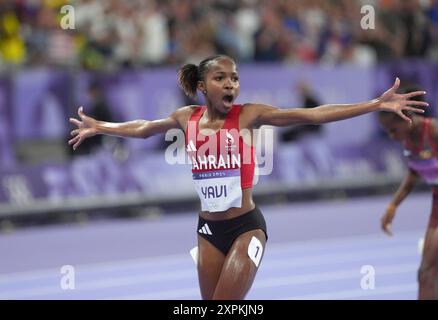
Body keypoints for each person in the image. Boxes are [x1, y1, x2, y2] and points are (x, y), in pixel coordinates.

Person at [68, 55, 427, 300]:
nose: (230, 84)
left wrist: (374, 105)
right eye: (220, 78)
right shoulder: (185, 118)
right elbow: (144, 127)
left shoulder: (249, 115)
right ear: (203, 86)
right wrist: (100, 126)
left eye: (235, 78)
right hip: (207, 232)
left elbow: (313, 116)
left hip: (245, 228)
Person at [379, 88, 437, 300]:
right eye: (388, 132)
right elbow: (413, 174)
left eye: (394, 130)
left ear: (408, 118)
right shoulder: (407, 140)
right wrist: (392, 207)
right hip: (436, 204)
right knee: (425, 273)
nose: (392, 136)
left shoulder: (433, 131)